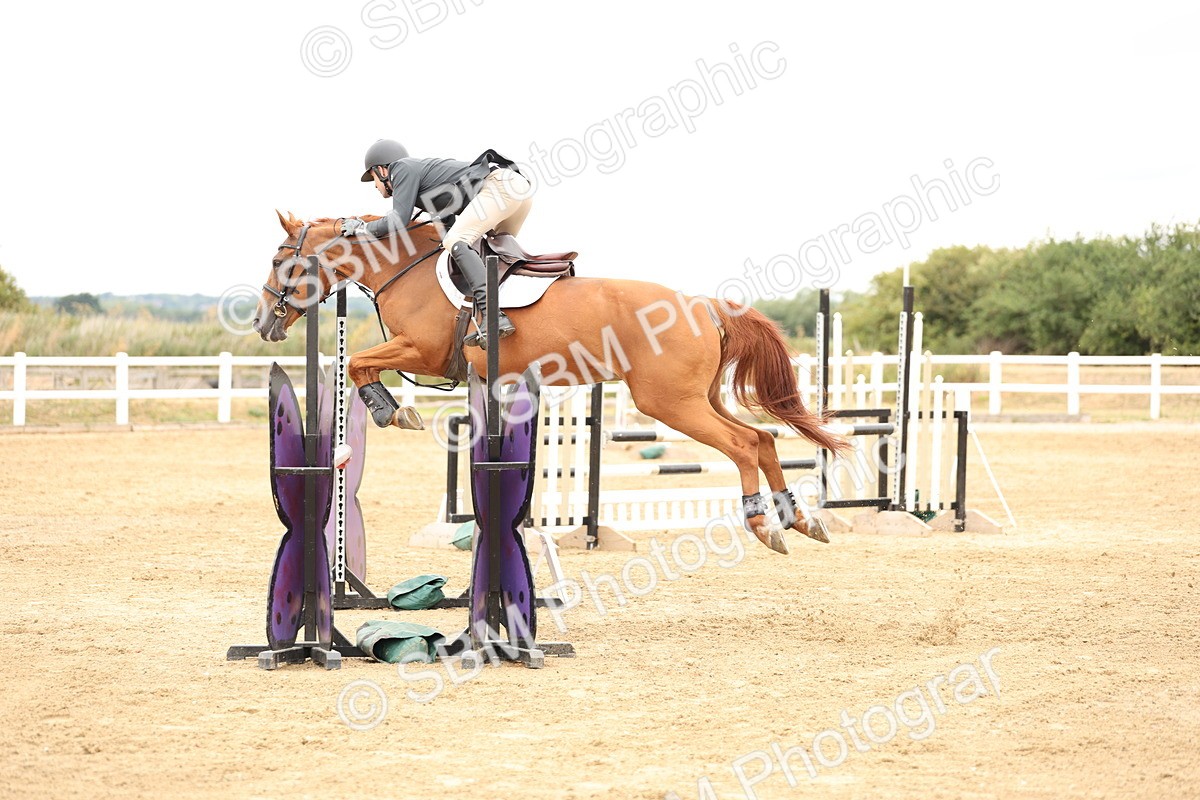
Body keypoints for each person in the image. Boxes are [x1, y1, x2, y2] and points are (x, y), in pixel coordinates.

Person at [341, 139, 534, 348]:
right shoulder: (424, 181)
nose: (376, 187)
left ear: (382, 170)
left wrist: (362, 227)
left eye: (373, 179)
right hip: (517, 189)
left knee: (457, 241)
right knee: (490, 251)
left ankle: (493, 317)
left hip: (500, 186)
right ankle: (516, 311)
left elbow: (398, 219)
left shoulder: (401, 168)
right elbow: (446, 221)